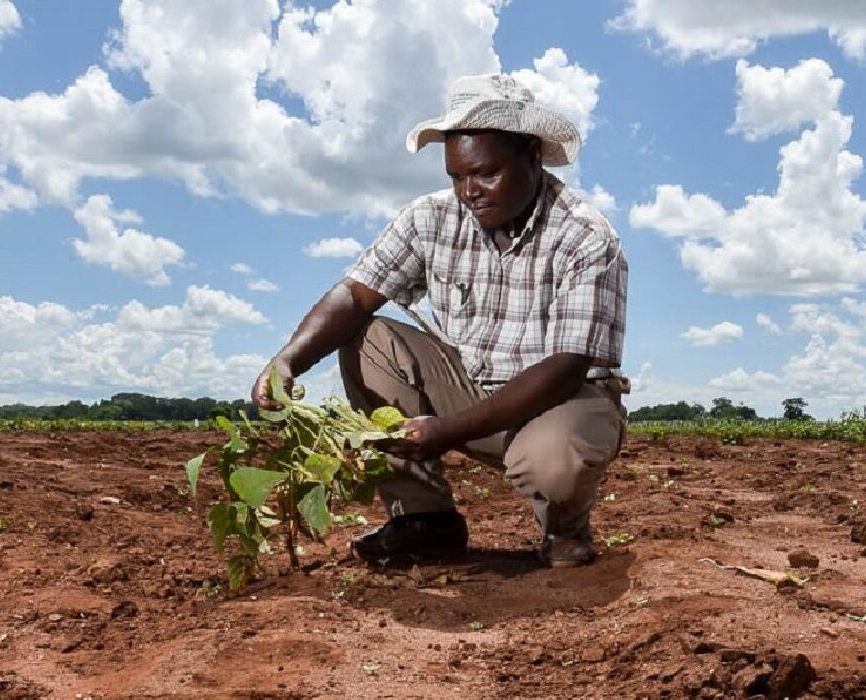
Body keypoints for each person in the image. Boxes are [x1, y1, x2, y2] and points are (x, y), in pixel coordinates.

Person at [252, 74, 628, 568]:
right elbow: (354, 293)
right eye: (457, 177)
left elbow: (566, 366)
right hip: (468, 389)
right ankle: (423, 521)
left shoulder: (584, 236)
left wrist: (447, 430)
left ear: (532, 155)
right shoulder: (430, 218)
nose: (469, 191)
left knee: (551, 464)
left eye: (486, 173)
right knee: (367, 338)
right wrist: (286, 362)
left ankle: (566, 532)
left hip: (560, 401)